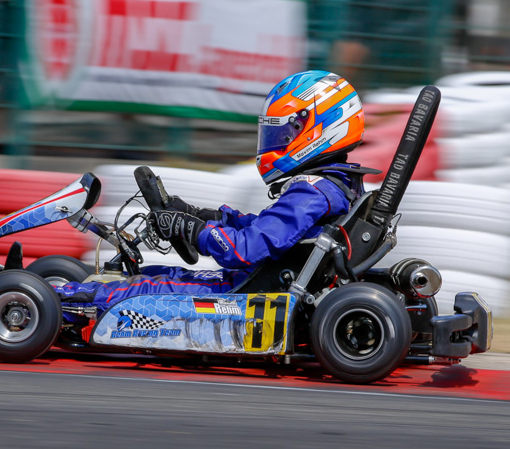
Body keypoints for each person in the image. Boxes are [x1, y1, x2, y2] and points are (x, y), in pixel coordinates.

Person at [53, 70, 367, 308]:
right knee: (155, 273)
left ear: (321, 128)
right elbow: (270, 230)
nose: (277, 141)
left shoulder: (312, 192)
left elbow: (246, 249)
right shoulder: (329, 188)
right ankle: (57, 291)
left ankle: (51, 301)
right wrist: (200, 215)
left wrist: (191, 230)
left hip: (247, 293)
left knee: (140, 289)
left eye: (286, 131)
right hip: (258, 281)